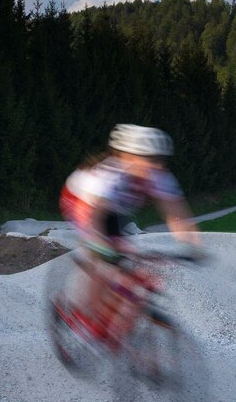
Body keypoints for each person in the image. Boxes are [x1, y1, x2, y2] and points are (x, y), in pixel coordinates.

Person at [59, 124, 202, 347]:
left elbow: (176, 214)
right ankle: (84, 317)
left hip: (113, 212)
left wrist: (194, 246)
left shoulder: (160, 177)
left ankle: (117, 323)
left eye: (160, 159)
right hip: (82, 203)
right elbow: (94, 221)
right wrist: (100, 249)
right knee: (103, 261)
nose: (156, 165)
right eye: (149, 159)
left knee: (136, 266)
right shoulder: (109, 177)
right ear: (127, 156)